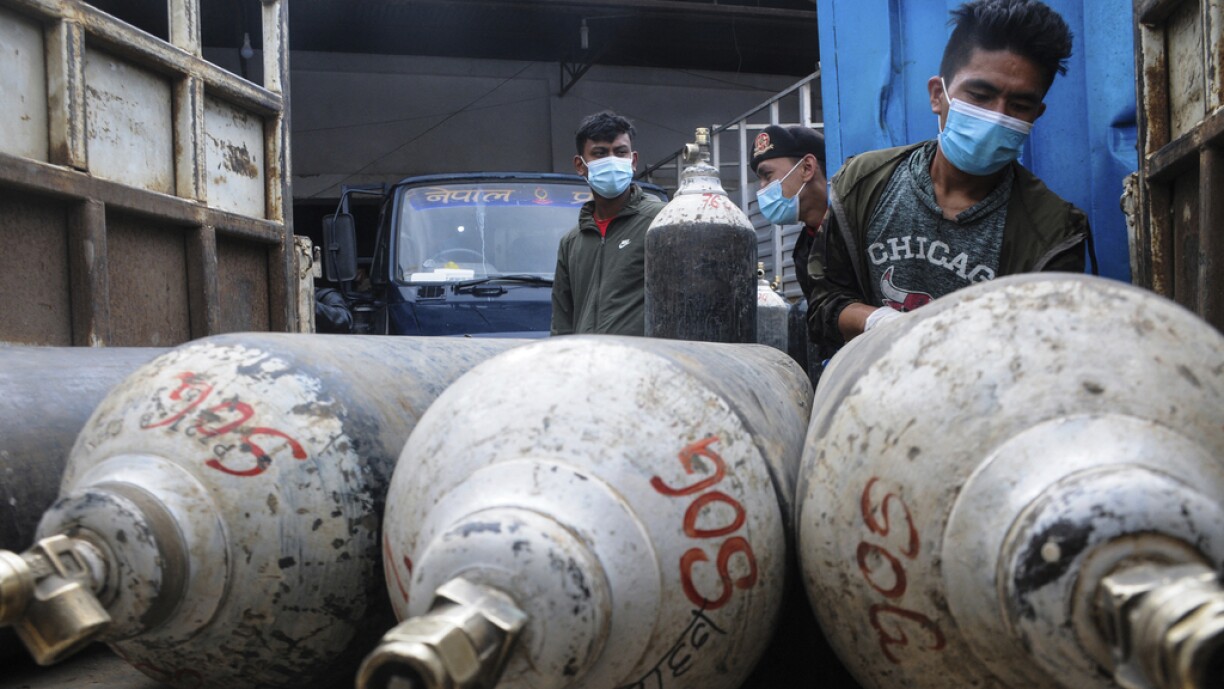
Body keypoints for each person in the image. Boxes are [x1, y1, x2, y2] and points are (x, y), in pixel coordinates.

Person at [808, 0, 1096, 352]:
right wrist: (876, 321)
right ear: (937, 96)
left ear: (1037, 114)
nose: (997, 116)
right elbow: (824, 305)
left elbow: (1046, 350)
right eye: (980, 95)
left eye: (1019, 106)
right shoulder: (863, 183)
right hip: (871, 392)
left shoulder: (1054, 230)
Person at [551, 111, 666, 336]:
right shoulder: (572, 242)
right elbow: (562, 323)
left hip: (644, 365)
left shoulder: (661, 223)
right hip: (589, 364)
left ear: (633, 161)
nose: (612, 161)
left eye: (620, 152)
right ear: (580, 165)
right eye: (600, 154)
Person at [750, 124, 829, 301]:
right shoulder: (804, 251)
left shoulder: (854, 223)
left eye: (767, 175)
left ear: (807, 168)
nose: (761, 188)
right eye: (759, 179)